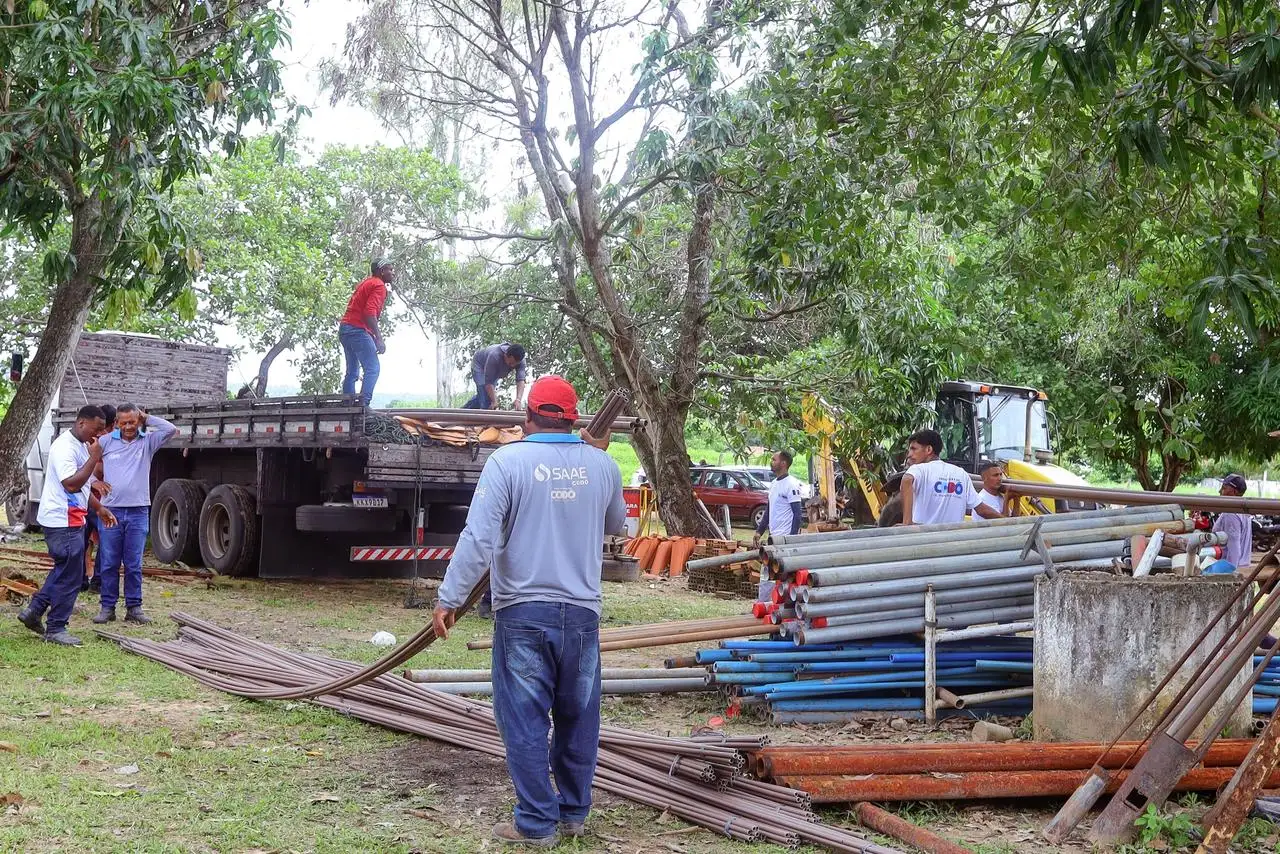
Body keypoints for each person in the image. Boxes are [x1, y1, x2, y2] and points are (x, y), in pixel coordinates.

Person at [432, 375, 626, 847]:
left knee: (524, 719)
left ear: (527, 415)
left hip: (524, 614)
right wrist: (589, 467)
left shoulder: (507, 462)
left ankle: (537, 823)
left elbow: (478, 539)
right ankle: (573, 813)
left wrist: (450, 598)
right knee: (579, 717)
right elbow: (618, 524)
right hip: (581, 615)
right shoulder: (603, 466)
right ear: (573, 418)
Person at [17, 406, 116, 645]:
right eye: (97, 429)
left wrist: (99, 508)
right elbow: (71, 484)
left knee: (65, 570)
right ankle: (56, 628)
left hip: (72, 517)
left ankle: (34, 611)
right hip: (62, 520)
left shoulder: (81, 445)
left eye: (103, 430)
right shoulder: (64, 447)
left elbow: (81, 487)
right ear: (81, 423)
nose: (100, 435)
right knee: (71, 576)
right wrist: (94, 458)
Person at [92, 403, 178, 625]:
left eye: (133, 422)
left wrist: (147, 418)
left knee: (133, 564)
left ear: (138, 421)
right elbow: (83, 467)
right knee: (109, 562)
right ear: (116, 424)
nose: (129, 427)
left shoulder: (147, 441)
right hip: (111, 511)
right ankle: (107, 608)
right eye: (124, 423)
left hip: (138, 511)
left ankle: (134, 608)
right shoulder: (105, 442)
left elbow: (170, 429)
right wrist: (96, 482)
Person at [900, 429, 1001, 526]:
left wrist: (907, 523)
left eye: (913, 449)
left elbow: (907, 479)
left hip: (923, 539)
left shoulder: (919, 469)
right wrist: (1007, 520)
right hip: (952, 540)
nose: (909, 454)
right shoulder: (961, 474)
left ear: (929, 449)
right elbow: (981, 509)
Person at [339, 258, 393, 405]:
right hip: (357, 330)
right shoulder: (378, 285)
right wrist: (378, 338)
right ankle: (363, 405)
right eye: (389, 269)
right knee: (373, 368)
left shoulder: (366, 283)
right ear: (381, 271)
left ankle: (347, 406)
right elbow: (369, 313)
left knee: (352, 373)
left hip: (345, 329)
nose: (392, 273)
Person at [753, 450, 805, 600]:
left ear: (783, 463)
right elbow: (769, 510)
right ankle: (762, 605)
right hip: (772, 537)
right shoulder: (774, 483)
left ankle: (782, 608)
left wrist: (791, 539)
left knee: (783, 575)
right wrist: (759, 531)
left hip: (784, 538)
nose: (771, 461)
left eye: (774, 459)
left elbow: (797, 515)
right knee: (766, 574)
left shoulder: (792, 485)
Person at [83, 403, 116, 593]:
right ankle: (89, 581)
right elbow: (94, 469)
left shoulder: (106, 441)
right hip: (92, 499)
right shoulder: (97, 442)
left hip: (97, 500)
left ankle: (91, 582)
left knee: (99, 541)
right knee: (92, 540)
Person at [463, 342, 527, 410]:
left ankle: (463, 411)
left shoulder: (521, 361)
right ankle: (482, 418)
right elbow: (488, 383)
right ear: (505, 355)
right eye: (510, 363)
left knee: (483, 396)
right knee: (486, 401)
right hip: (479, 366)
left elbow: (520, 380)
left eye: (515, 364)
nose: (512, 366)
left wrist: (518, 399)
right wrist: (494, 401)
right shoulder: (494, 356)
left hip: (494, 371)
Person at [1212, 473, 1255, 571]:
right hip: (1243, 565)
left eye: (1224, 488)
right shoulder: (1243, 510)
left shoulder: (1230, 514)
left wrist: (1230, 576)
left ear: (1234, 491)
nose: (1220, 491)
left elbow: (1234, 549)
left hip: (1232, 568)